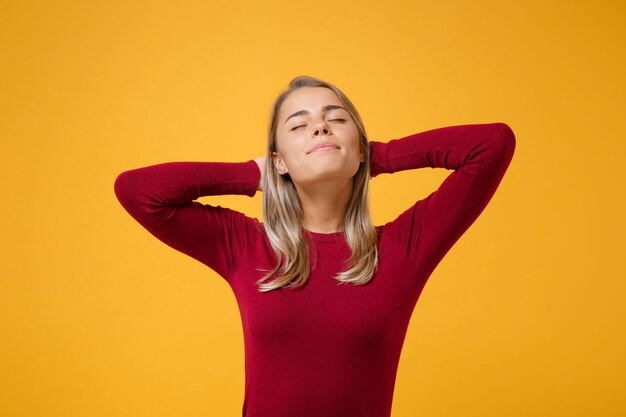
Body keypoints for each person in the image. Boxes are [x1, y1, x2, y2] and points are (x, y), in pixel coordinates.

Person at [114, 75, 516, 417]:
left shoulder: (400, 249)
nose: (320, 128)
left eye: (336, 119)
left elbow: (492, 145)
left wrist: (378, 156)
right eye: (298, 125)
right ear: (279, 160)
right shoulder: (246, 245)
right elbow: (137, 191)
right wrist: (254, 174)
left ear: (360, 147)